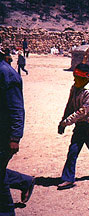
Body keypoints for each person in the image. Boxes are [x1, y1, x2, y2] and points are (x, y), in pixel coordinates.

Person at [0, 54, 35, 215]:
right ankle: (24, 181)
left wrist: (15, 137)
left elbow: (16, 108)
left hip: (4, 135)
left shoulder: (6, 73)